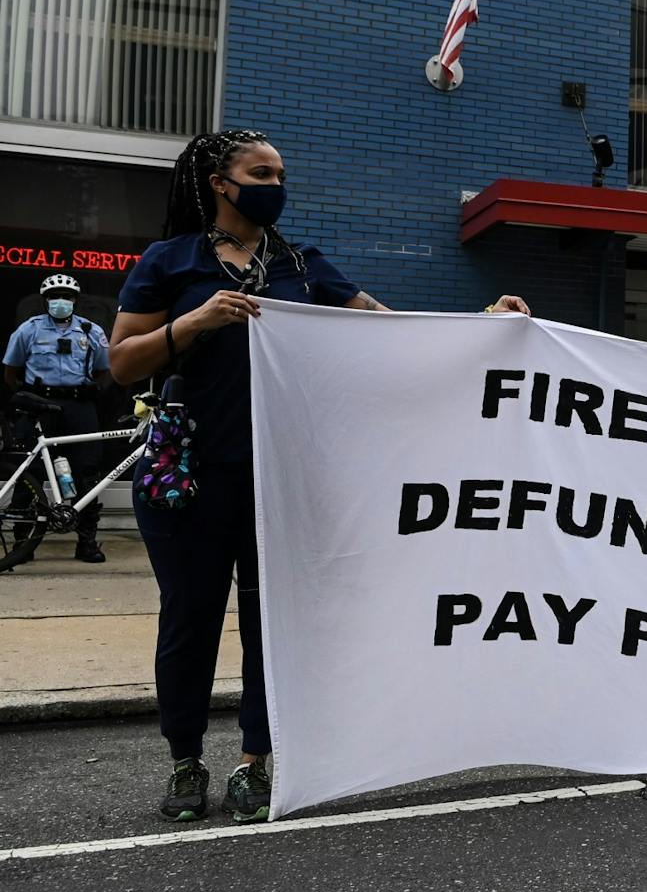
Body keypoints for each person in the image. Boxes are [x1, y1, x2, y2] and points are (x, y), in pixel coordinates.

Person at [108, 130, 531, 824]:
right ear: (219, 180)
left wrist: (483, 324)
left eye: (280, 172)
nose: (276, 182)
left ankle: (255, 761)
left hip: (283, 480)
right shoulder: (170, 261)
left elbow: (387, 331)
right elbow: (123, 362)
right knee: (189, 622)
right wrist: (196, 320)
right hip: (190, 481)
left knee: (271, 624)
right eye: (261, 170)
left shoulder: (303, 265)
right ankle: (184, 759)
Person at [2, 274, 111, 567]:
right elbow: (10, 370)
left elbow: (104, 370)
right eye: (53, 296)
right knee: (31, 472)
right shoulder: (30, 329)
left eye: (65, 295)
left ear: (75, 300)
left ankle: (86, 542)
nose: (59, 301)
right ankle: (23, 543)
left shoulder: (91, 331)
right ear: (45, 300)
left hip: (79, 406)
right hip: (39, 405)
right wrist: (27, 398)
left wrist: (90, 391)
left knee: (87, 472)